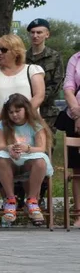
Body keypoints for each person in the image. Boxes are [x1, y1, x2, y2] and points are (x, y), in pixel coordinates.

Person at [0, 94, 52, 227]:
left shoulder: (36, 124)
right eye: (11, 112)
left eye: (17, 111)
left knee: (41, 161)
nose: (14, 115)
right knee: (1, 159)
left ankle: (32, 200)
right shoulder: (2, 125)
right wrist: (9, 148)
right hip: (11, 161)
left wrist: (27, 148)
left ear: (26, 109)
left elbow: (41, 148)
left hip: (29, 159)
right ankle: (10, 200)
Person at [25, 19, 63, 128]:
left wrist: (38, 99)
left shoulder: (55, 57)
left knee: (46, 143)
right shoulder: (23, 57)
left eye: (39, 32)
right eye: (32, 32)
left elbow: (57, 84)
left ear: (47, 34)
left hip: (47, 112)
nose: (35, 35)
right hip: (24, 108)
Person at [59, 51, 80, 226]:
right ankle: (78, 214)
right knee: (78, 170)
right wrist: (78, 115)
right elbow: (69, 87)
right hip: (75, 118)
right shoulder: (76, 58)